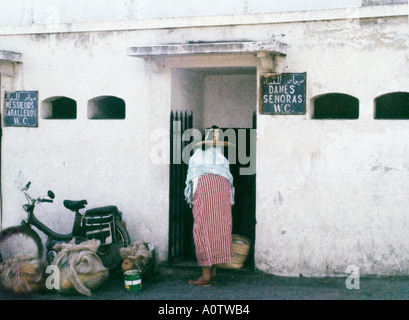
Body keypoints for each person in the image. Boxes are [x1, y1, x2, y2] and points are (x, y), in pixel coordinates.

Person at [184, 126, 234, 286]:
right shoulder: (220, 158)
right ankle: (211, 273)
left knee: (204, 230)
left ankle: (207, 275)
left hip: (209, 193)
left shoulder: (201, 157)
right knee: (217, 229)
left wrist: (194, 195)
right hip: (219, 193)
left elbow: (193, 178)